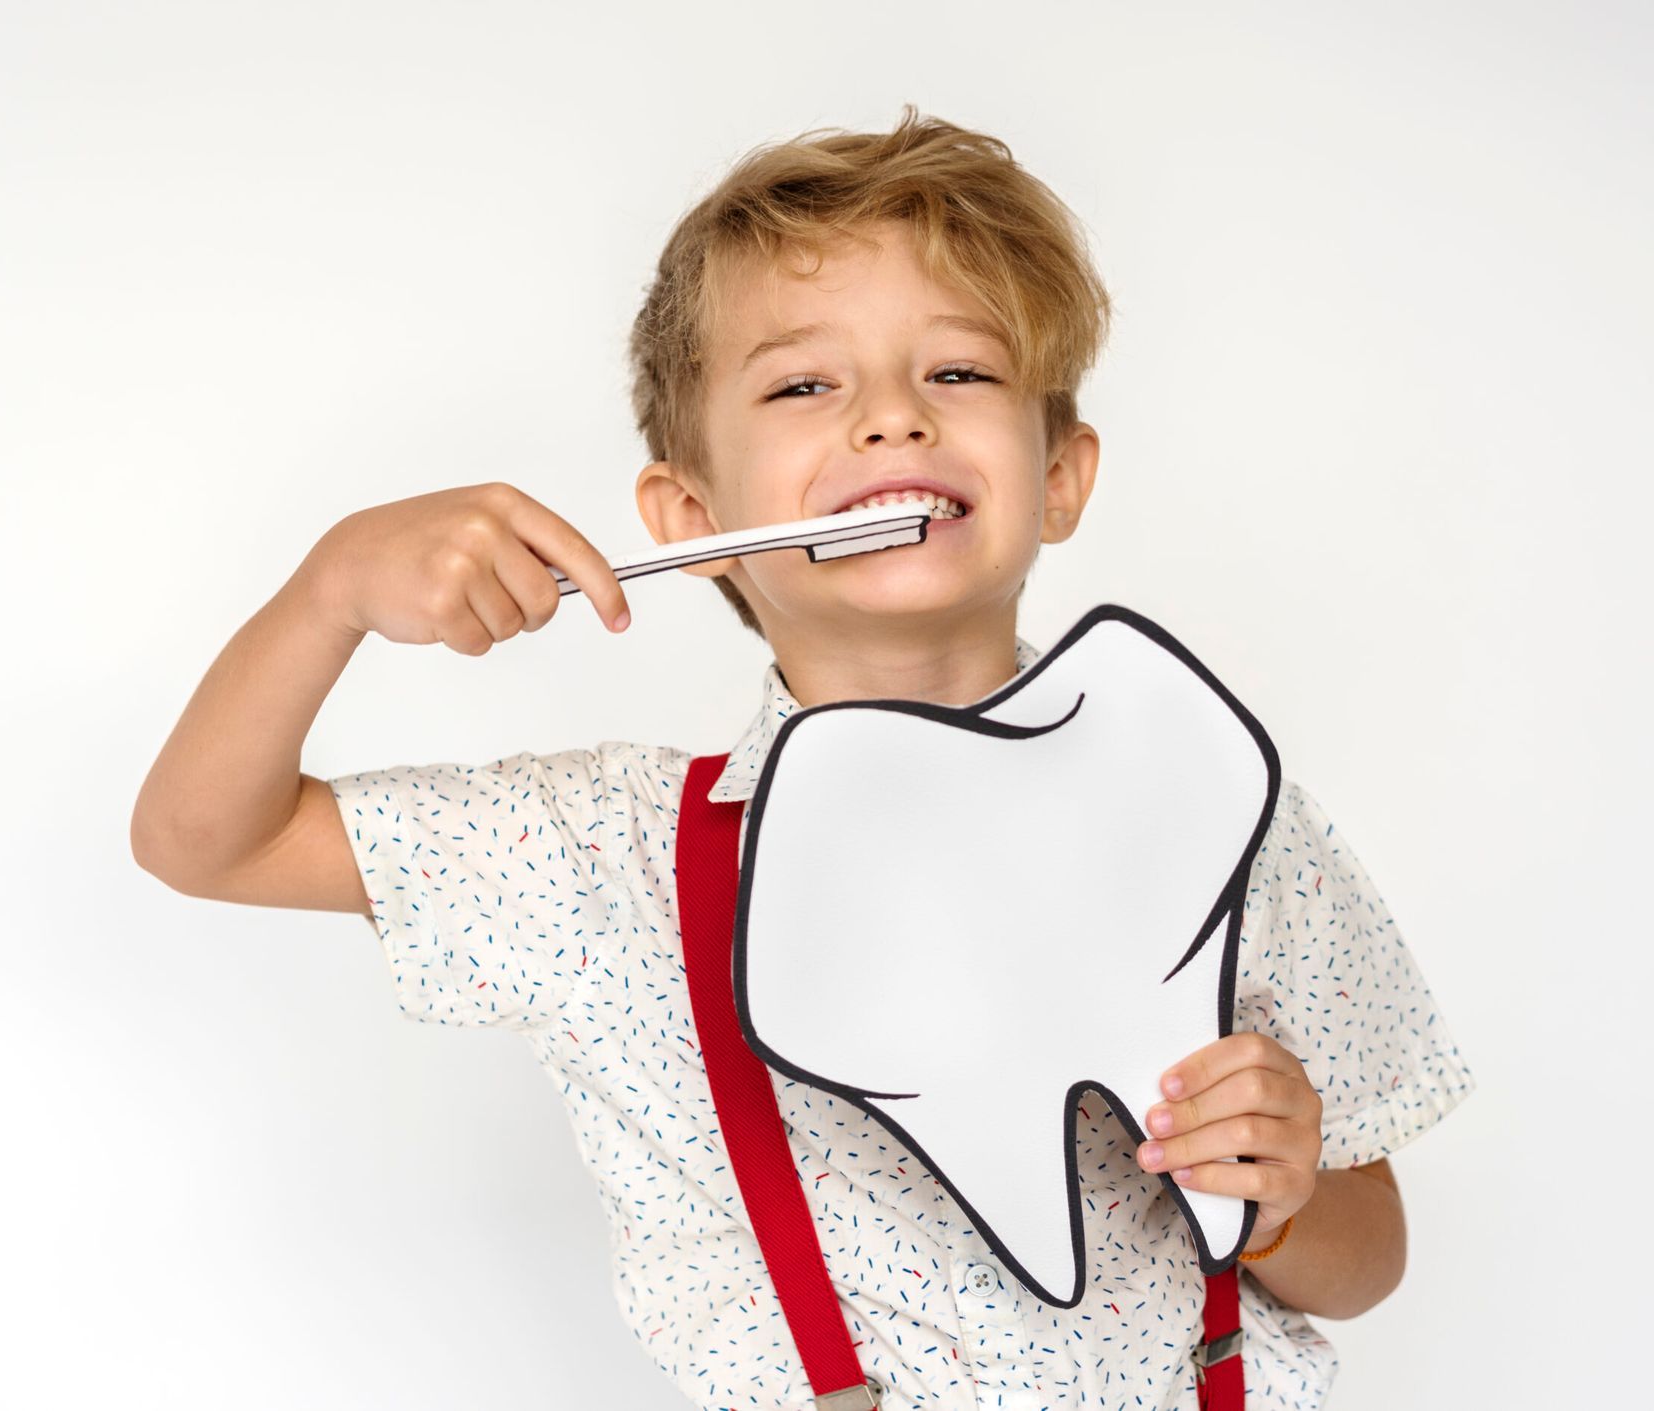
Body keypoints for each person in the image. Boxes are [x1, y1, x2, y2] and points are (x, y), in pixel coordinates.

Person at [130, 105, 1475, 1411]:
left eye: (959, 371)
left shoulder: (1216, 806)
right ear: (689, 512)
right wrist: (328, 595)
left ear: (1059, 473)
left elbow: (1371, 1260)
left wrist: (1285, 1198)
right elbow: (209, 838)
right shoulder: (607, 858)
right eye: (802, 384)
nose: (891, 417)